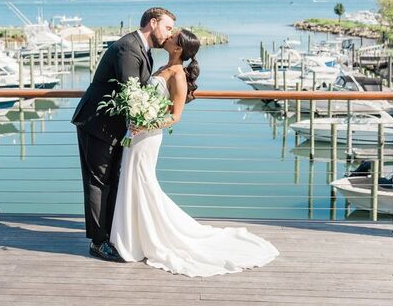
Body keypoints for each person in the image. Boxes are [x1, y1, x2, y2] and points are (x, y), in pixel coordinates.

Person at [110, 29, 279, 276]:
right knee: (132, 181)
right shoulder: (162, 66)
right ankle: (132, 236)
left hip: (147, 136)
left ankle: (145, 238)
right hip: (136, 133)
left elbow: (175, 116)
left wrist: (146, 123)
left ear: (178, 48)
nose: (166, 37)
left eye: (172, 37)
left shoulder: (178, 74)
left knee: (142, 182)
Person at [71, 7, 176, 262]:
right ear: (153, 23)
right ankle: (98, 242)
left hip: (114, 126)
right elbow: (133, 94)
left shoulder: (143, 49)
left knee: (113, 180)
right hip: (97, 122)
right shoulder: (128, 48)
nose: (169, 34)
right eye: (168, 27)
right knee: (99, 181)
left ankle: (112, 233)